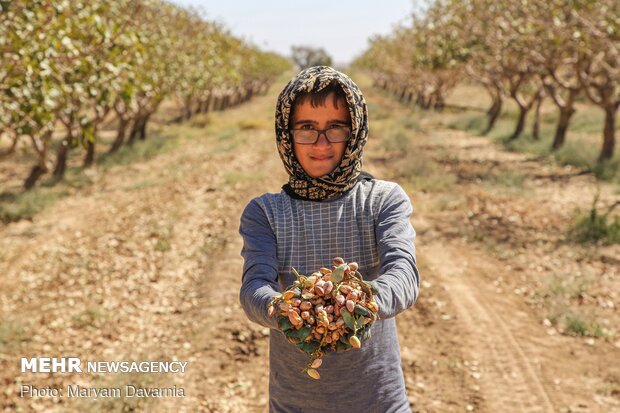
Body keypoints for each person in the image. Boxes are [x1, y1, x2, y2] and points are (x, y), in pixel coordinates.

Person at [239, 66, 419, 413]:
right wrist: (283, 309)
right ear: (286, 135)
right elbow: (253, 288)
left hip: (380, 401)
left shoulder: (382, 200)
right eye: (306, 128)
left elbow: (404, 275)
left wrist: (358, 301)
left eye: (335, 127)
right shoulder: (265, 212)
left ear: (355, 132)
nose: (321, 143)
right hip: (295, 403)